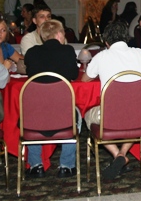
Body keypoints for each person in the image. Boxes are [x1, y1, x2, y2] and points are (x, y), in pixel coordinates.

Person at [81, 20, 141, 180]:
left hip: (110, 117)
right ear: (126, 38)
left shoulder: (101, 56)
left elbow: (85, 79)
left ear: (106, 42)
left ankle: (117, 154)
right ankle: (122, 154)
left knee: (88, 115)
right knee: (133, 118)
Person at [23, 19, 80, 178]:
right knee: (76, 115)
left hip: (36, 114)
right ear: (60, 34)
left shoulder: (32, 53)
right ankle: (66, 166)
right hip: (62, 114)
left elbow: (30, 74)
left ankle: (36, 165)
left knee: (30, 112)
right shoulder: (67, 51)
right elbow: (74, 75)